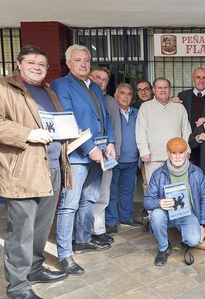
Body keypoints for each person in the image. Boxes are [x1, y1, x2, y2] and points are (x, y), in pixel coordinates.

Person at [0, 45, 70, 299]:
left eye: (42, 63)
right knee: (21, 230)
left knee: (41, 227)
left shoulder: (46, 91)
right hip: (22, 171)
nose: (38, 67)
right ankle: (17, 287)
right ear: (19, 63)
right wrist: (26, 134)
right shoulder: (1, 88)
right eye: (32, 62)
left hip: (51, 168)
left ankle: (35, 268)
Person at [51, 44, 115, 275]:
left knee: (90, 199)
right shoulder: (61, 85)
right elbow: (67, 118)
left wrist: (110, 143)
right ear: (68, 63)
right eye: (78, 60)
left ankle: (83, 239)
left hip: (99, 153)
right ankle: (65, 254)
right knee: (69, 205)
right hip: (78, 156)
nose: (83, 64)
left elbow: (105, 117)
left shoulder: (94, 87)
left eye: (86, 60)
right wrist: (90, 149)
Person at [143, 137, 205, 266]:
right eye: (174, 153)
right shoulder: (158, 174)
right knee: (156, 215)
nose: (178, 156)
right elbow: (147, 201)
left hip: (188, 214)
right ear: (168, 153)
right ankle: (163, 248)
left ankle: (185, 235)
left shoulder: (196, 172)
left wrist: (202, 224)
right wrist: (159, 203)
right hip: (166, 214)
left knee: (193, 240)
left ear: (186, 152)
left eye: (181, 152)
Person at [136, 78, 192, 188]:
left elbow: (186, 130)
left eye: (165, 87)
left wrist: (187, 150)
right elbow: (140, 130)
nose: (163, 90)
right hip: (153, 158)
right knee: (154, 190)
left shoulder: (179, 107)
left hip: (176, 157)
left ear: (170, 89)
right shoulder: (145, 107)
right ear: (154, 90)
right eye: (159, 88)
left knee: (176, 190)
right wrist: (144, 151)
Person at [105, 83, 143, 237]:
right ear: (115, 95)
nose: (126, 96)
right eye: (122, 93)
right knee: (111, 191)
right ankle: (111, 222)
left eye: (129, 94)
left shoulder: (137, 113)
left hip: (132, 159)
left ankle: (126, 218)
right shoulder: (111, 112)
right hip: (115, 159)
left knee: (128, 191)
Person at [87, 66, 118, 243]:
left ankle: (98, 231)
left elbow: (112, 127)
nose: (100, 81)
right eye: (97, 77)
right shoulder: (81, 96)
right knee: (86, 197)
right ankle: (83, 233)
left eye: (104, 79)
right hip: (85, 153)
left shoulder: (109, 101)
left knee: (103, 195)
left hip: (106, 153)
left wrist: (112, 148)